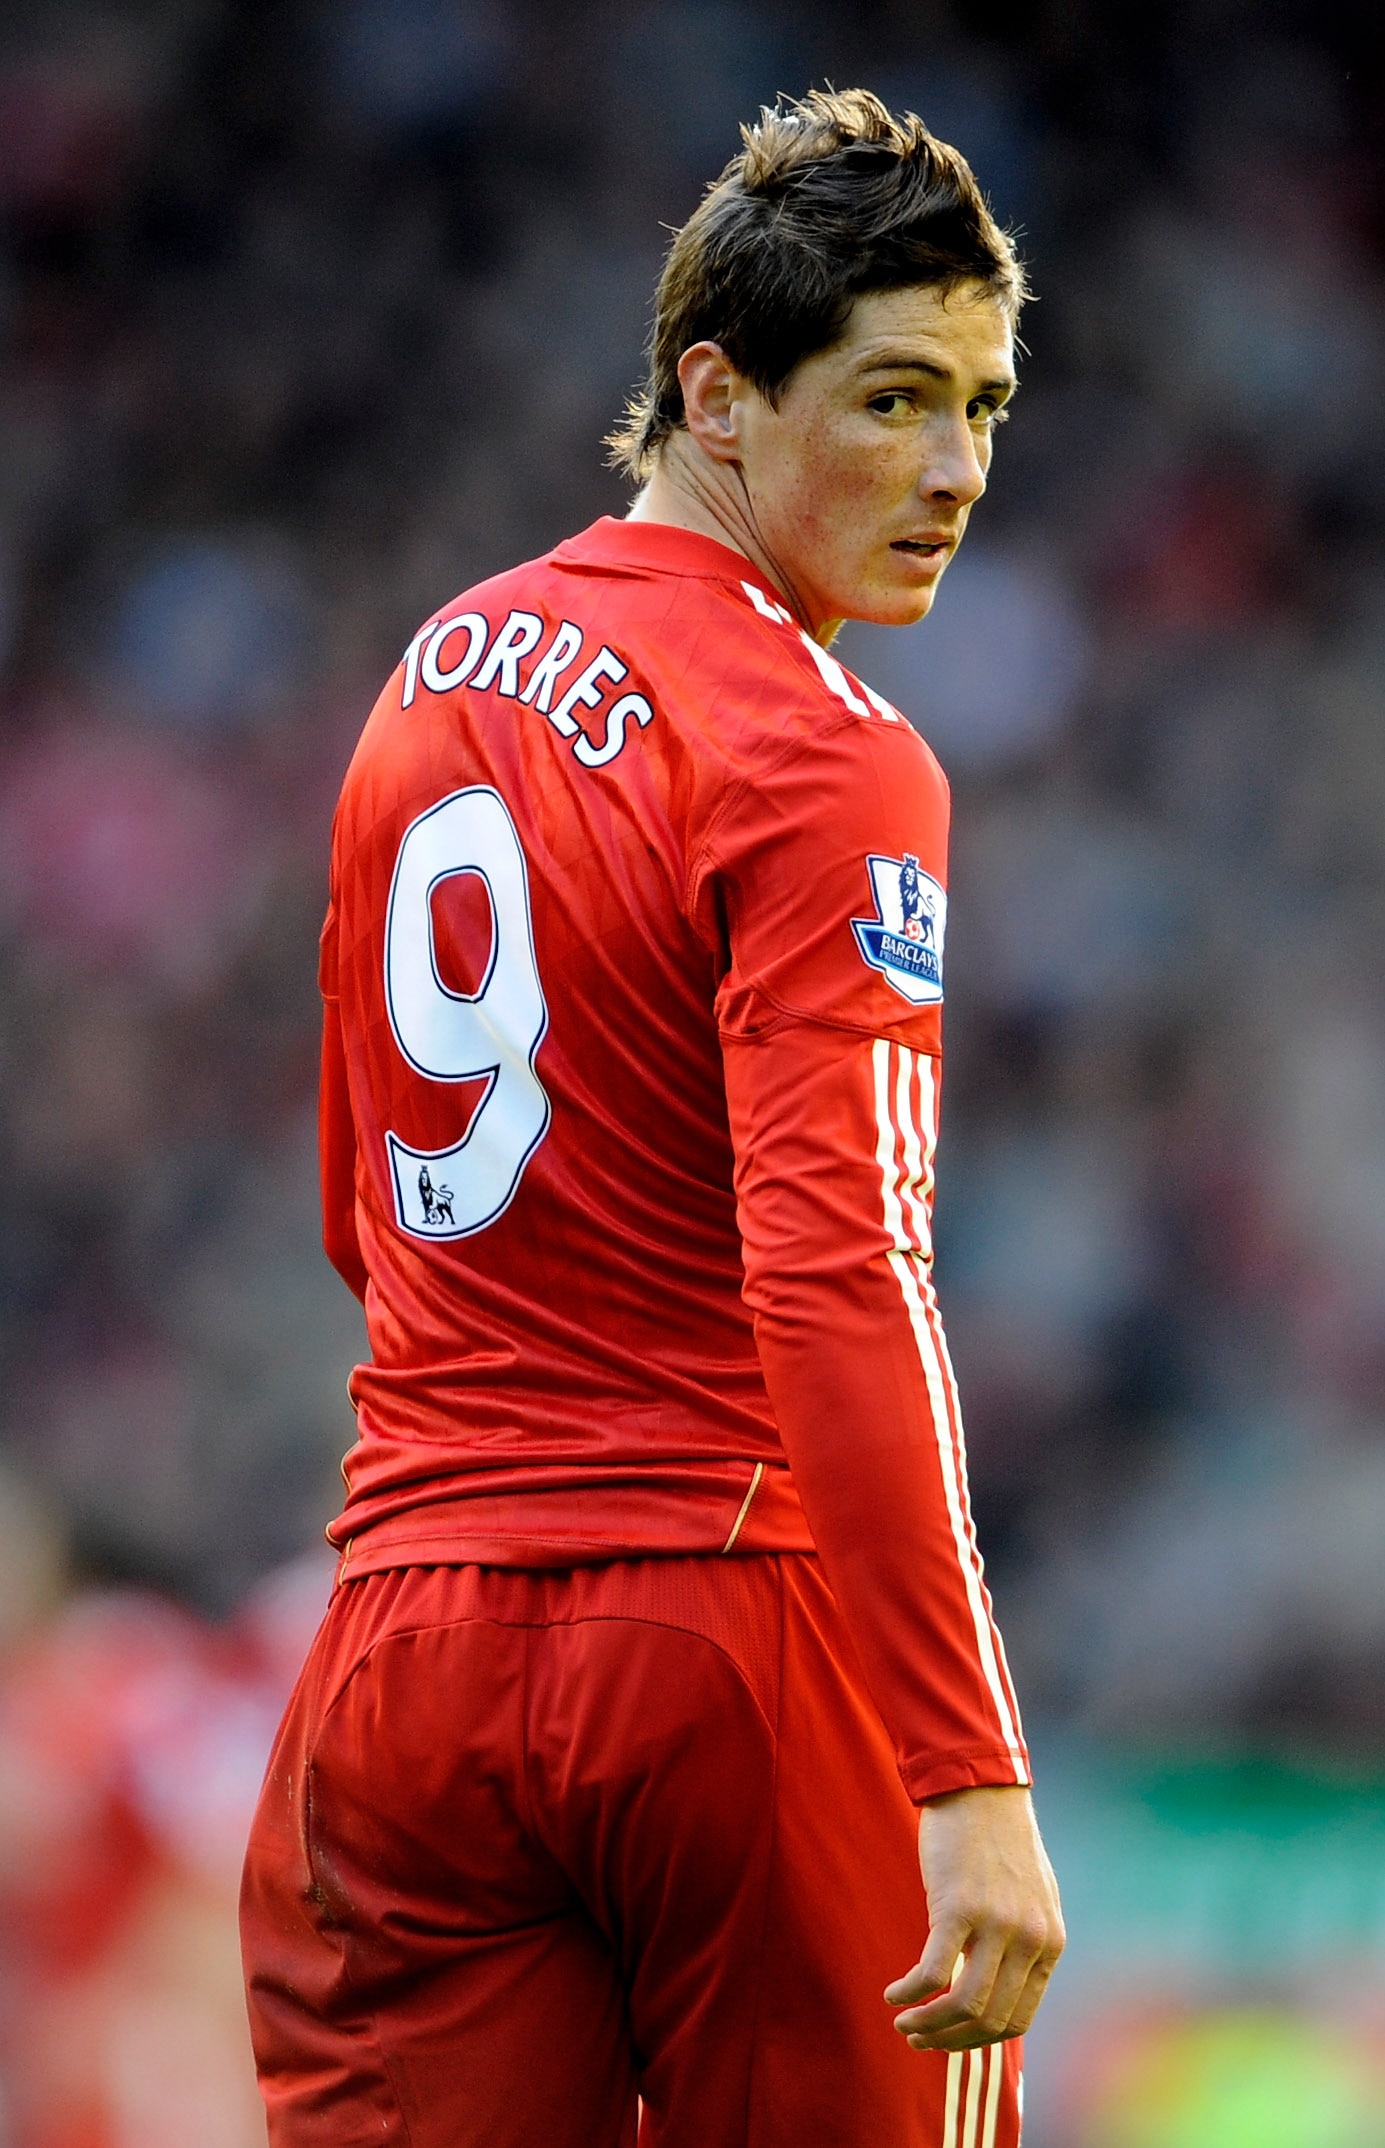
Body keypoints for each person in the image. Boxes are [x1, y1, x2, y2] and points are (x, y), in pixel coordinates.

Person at [240, 87, 1065, 2148]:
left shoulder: (421, 684)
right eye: (892, 400)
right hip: (721, 1626)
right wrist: (966, 1777)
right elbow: (841, 1266)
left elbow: (364, 1210)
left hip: (400, 1658)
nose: (955, 471)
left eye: (982, 405)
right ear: (716, 391)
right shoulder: (822, 751)